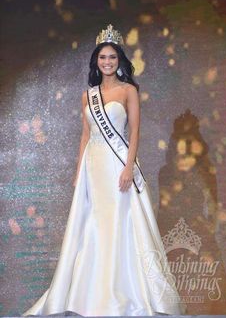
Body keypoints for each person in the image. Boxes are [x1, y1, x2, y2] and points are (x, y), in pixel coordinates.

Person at [22, 24, 186, 316]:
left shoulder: (128, 91)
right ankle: (91, 293)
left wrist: (127, 168)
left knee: (120, 222)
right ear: (96, 62)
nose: (107, 62)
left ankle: (123, 291)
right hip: (93, 166)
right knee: (93, 224)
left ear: (119, 59)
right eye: (102, 58)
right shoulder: (88, 95)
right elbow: (85, 136)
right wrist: (77, 173)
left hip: (118, 162)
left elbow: (135, 133)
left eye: (112, 57)